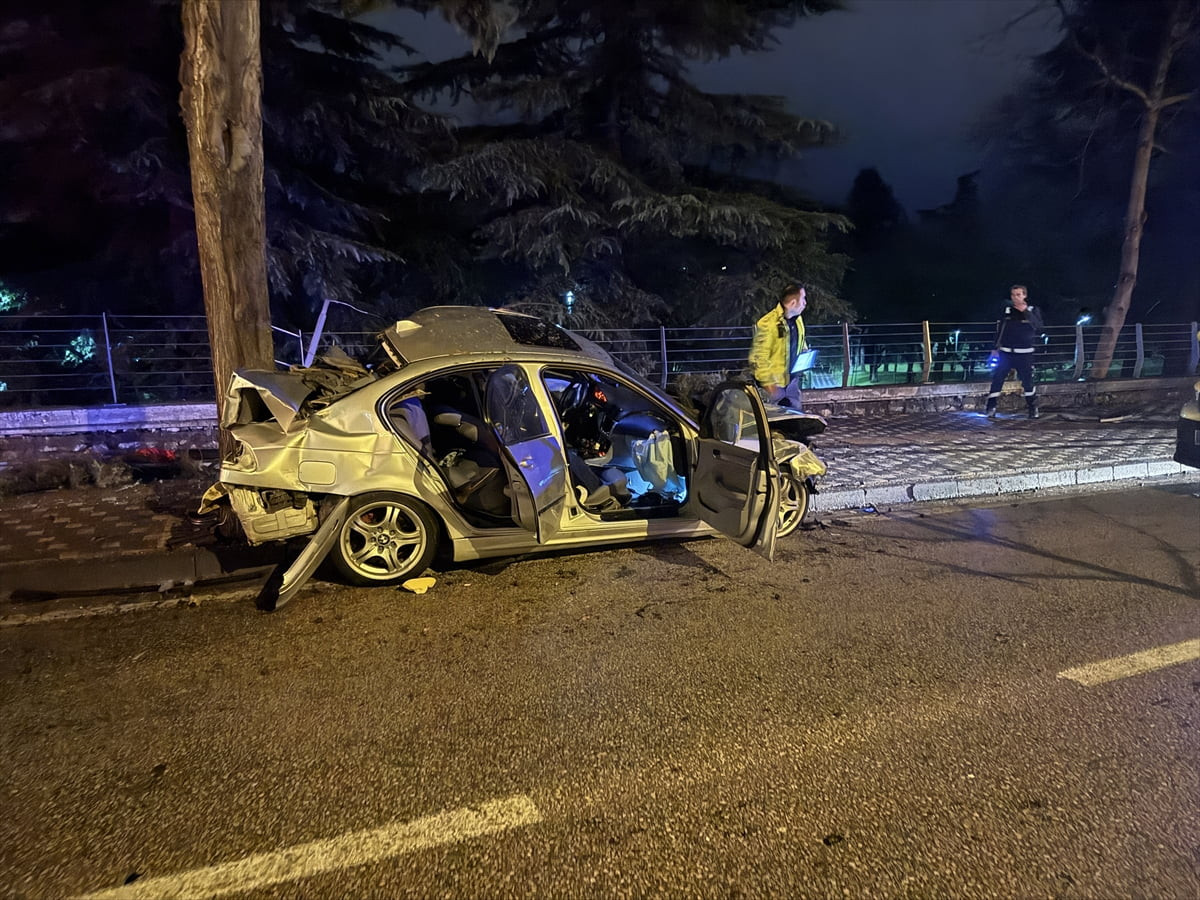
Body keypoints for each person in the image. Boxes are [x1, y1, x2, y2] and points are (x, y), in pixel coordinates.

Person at [985, 284, 1044, 419]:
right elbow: (1000, 330)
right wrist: (995, 349)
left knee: (1028, 381)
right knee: (997, 379)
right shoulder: (1007, 310)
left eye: (1018, 294)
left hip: (1025, 353)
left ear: (1024, 295)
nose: (1016, 298)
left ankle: (1032, 408)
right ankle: (991, 407)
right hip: (1006, 352)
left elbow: (1038, 326)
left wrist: (1026, 313)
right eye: (1013, 295)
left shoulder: (1033, 310)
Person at [749, 283, 808, 409]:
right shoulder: (767, 323)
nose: (805, 303)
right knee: (774, 424)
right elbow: (759, 357)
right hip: (774, 387)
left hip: (792, 384)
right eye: (803, 299)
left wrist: (806, 356)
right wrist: (769, 384)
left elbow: (801, 341)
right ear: (792, 303)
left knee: (795, 423)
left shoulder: (798, 319)